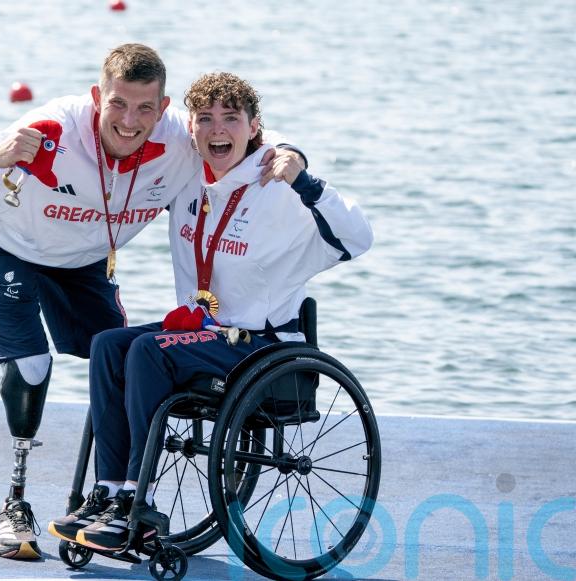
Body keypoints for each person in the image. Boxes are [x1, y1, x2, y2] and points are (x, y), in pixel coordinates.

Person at [0, 44, 306, 559]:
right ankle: (15, 504)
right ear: (97, 97)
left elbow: (233, 139)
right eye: (118, 105)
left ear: (164, 107)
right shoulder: (53, 127)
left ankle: (113, 497)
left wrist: (294, 154)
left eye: (146, 108)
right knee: (34, 366)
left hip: (82, 258)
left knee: (115, 355)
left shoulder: (178, 139)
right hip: (2, 244)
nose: (130, 121)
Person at [47, 72, 373, 553]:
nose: (217, 130)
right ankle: (108, 493)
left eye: (231, 119)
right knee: (108, 344)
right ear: (192, 128)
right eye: (205, 119)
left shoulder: (276, 186)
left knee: (147, 353)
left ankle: (141, 500)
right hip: (201, 331)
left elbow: (357, 238)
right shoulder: (187, 179)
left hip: (260, 345)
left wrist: (303, 177)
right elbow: (136, 135)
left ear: (253, 126)